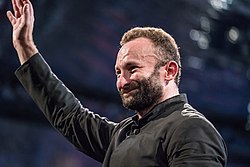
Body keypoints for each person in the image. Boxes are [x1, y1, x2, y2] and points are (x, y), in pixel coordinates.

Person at [7, 0, 227, 166]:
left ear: (169, 71)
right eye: (118, 72)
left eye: (133, 69)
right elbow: (68, 115)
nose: (122, 81)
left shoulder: (191, 129)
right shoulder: (123, 134)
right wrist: (25, 46)